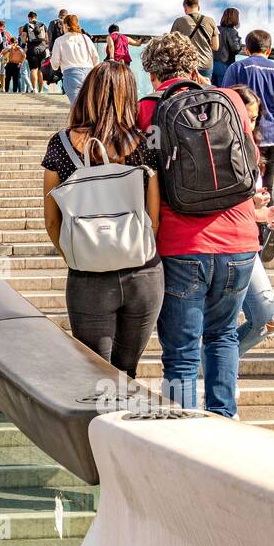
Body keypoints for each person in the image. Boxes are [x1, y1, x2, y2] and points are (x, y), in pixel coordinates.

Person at [139, 32, 261, 418]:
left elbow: (146, 172)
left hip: (181, 244)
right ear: (194, 66)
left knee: (181, 353)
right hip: (240, 241)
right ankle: (224, 422)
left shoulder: (147, 109)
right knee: (223, 335)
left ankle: (185, 439)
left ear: (153, 73)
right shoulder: (232, 102)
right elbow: (252, 161)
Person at [42, 61, 163, 375]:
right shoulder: (145, 142)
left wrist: (77, 254)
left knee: (96, 376)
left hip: (88, 277)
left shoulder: (61, 144)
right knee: (128, 374)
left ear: (87, 94)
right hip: (142, 272)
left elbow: (52, 219)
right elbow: (154, 219)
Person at [227, 85, 274, 355]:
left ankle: (213, 366)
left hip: (248, 244)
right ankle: (218, 373)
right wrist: (255, 210)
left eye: (254, 118)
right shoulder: (215, 146)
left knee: (267, 320)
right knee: (220, 328)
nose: (250, 124)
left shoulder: (253, 148)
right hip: (222, 246)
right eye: (245, 117)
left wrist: (261, 209)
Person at [220, 29, 274, 199]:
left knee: (249, 187)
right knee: (267, 187)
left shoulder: (237, 68)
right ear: (269, 50)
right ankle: (267, 223)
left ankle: (260, 224)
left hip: (250, 137)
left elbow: (226, 102)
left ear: (246, 49)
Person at [49, 14, 98, 108]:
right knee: (89, 107)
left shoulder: (59, 40)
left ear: (66, 25)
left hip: (71, 75)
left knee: (77, 108)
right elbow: (95, 57)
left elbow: (55, 64)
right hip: (89, 74)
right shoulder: (85, 38)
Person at [169, 0, 219, 80]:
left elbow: (171, 43)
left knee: (187, 91)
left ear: (185, 9)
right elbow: (216, 47)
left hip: (186, 63)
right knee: (204, 90)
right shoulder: (210, 21)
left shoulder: (179, 21)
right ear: (198, 7)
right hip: (206, 63)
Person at [211, 7, 242, 86]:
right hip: (224, 65)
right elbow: (236, 49)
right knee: (223, 90)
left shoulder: (216, 29)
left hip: (212, 63)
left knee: (211, 89)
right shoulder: (233, 32)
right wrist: (239, 39)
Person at [26, 22, 48, 94]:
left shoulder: (27, 26)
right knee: (40, 70)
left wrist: (28, 41)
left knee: (33, 69)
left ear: (29, 18)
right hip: (42, 50)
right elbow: (47, 39)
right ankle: (41, 90)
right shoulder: (42, 25)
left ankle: (34, 89)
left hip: (32, 50)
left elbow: (23, 39)